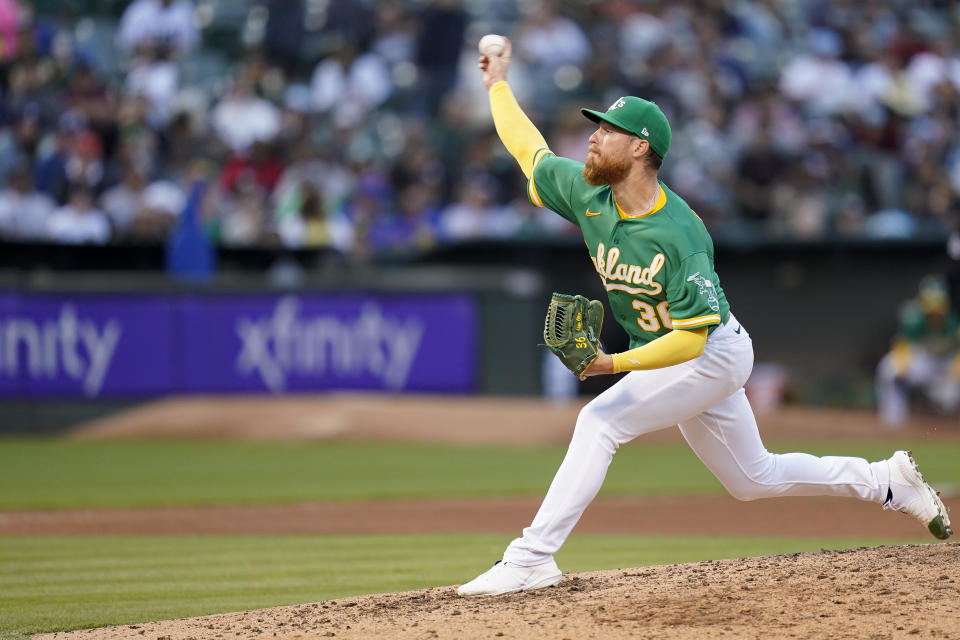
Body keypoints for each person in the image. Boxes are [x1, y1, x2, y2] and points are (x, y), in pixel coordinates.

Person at [458, 37, 952, 598]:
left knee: (599, 422)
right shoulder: (588, 193)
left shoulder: (682, 234)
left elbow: (692, 340)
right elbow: (529, 150)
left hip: (710, 351)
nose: (593, 137)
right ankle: (887, 480)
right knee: (752, 478)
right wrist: (497, 83)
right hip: (674, 352)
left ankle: (531, 558)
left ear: (641, 148)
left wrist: (611, 363)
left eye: (607, 131)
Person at [875, 275, 960, 428]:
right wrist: (902, 363)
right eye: (930, 307)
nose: (934, 313)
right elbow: (902, 343)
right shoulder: (914, 319)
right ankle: (894, 422)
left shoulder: (952, 321)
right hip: (925, 363)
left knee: (947, 399)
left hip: (946, 367)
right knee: (888, 368)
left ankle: (950, 422)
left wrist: (956, 367)